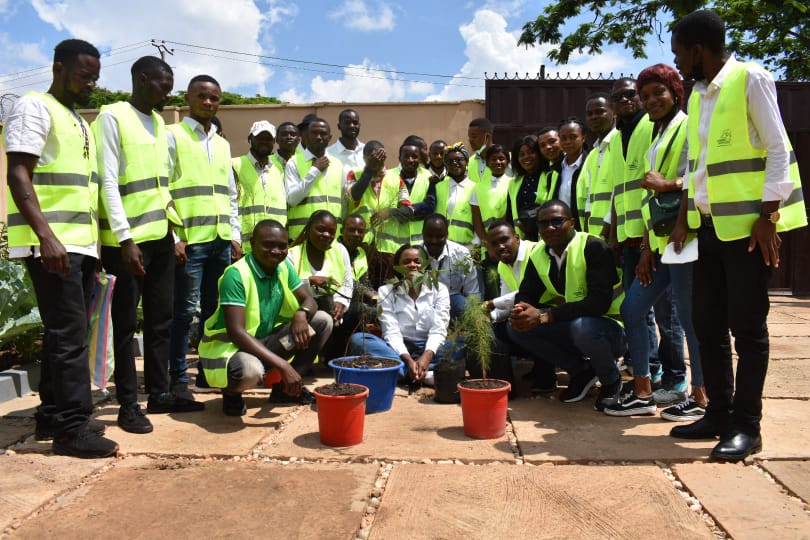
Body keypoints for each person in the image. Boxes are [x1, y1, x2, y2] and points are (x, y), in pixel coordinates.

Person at [668, 9, 806, 460]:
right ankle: (720, 413)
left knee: (747, 329)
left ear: (697, 50)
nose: (677, 63)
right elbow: (696, 165)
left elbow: (778, 150)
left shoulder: (751, 79)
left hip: (748, 232)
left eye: (678, 54)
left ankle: (748, 425)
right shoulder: (697, 95)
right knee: (707, 324)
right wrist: (685, 215)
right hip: (708, 229)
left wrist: (769, 217)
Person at [4, 39, 118, 457]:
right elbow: (18, 174)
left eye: (95, 78)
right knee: (69, 336)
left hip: (79, 246)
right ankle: (74, 429)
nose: (91, 84)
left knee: (63, 335)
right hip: (51, 246)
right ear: (58, 68)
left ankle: (52, 415)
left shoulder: (77, 120)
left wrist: (93, 247)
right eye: (84, 76)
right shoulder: (35, 107)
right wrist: (46, 237)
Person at [93, 55, 187, 435]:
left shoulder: (160, 123)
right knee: (126, 324)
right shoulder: (112, 117)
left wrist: (176, 236)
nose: (168, 93)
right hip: (127, 244)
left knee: (161, 320)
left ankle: (159, 392)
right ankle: (128, 404)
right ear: (142, 79)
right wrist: (124, 238)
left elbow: (163, 187)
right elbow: (108, 183)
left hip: (161, 238)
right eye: (164, 85)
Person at [604, 64, 703, 417]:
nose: (650, 101)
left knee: (688, 320)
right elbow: (649, 198)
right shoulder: (658, 135)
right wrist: (646, 249)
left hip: (684, 238)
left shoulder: (687, 126)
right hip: (658, 243)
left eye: (657, 93)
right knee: (632, 307)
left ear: (676, 91)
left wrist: (671, 191)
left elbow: (699, 177)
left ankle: (701, 398)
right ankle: (644, 390)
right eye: (646, 96)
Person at [198, 220, 333, 414]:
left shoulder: (283, 267)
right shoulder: (236, 274)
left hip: (265, 342)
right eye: (268, 245)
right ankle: (231, 393)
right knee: (251, 370)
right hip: (229, 351)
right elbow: (237, 333)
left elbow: (310, 301)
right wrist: (283, 365)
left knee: (322, 321)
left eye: (282, 246)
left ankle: (285, 390)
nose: (276, 251)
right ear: (252, 244)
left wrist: (301, 314)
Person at [507, 200, 625, 412]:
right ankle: (581, 371)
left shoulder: (594, 247)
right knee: (516, 328)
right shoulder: (539, 253)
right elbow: (527, 292)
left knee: (583, 327)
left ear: (571, 223)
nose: (550, 228)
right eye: (543, 224)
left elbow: (599, 303)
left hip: (611, 330)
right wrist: (520, 312)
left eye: (557, 221)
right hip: (574, 325)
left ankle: (611, 380)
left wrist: (544, 316)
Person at [167, 74, 241, 405]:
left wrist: (235, 234)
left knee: (214, 312)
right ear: (189, 98)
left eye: (214, 98)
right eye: (202, 96)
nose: (208, 102)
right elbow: (162, 188)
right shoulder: (174, 136)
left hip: (220, 240)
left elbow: (229, 194)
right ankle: (178, 377)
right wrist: (174, 237)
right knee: (183, 312)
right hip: (190, 241)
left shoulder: (223, 144)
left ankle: (207, 372)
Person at [348, 244, 451, 382]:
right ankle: (423, 373)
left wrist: (427, 356)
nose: (412, 265)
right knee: (359, 340)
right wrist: (408, 359)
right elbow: (391, 332)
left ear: (425, 265)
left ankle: (400, 372)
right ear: (397, 266)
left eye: (417, 261)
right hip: (398, 351)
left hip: (431, 349)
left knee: (461, 344)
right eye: (406, 262)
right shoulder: (386, 291)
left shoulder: (440, 290)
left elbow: (439, 329)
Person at [287, 210, 353, 329]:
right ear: (308, 228)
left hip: (334, 307)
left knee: (358, 311)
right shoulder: (291, 255)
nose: (327, 235)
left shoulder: (340, 250)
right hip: (302, 311)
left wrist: (341, 302)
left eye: (331, 232)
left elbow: (347, 282)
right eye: (321, 229)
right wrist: (310, 281)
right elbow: (286, 288)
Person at [285, 117, 344, 239]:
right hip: (301, 237)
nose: (318, 137)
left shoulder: (337, 164)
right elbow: (292, 199)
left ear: (330, 138)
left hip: (332, 237)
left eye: (323, 134)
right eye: (314, 133)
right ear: (306, 136)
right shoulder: (294, 162)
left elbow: (343, 202)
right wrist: (315, 170)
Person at [233, 121, 287, 250]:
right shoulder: (235, 165)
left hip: (274, 246)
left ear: (274, 141)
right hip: (245, 245)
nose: (264, 142)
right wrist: (234, 239)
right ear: (250, 139)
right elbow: (229, 205)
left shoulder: (278, 168)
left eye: (268, 139)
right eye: (259, 138)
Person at [421, 214, 480, 319]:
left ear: (447, 235)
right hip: (422, 303)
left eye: (439, 236)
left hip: (451, 301)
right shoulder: (414, 253)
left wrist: (476, 316)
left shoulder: (461, 253)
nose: (434, 241)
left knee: (467, 307)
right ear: (423, 234)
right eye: (430, 236)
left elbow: (472, 293)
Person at [577, 93, 618, 234]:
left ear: (613, 113)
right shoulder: (594, 153)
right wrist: (588, 233)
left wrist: (607, 229)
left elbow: (617, 193)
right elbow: (590, 197)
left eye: (600, 111)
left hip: (614, 232)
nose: (594, 117)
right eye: (590, 114)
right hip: (595, 234)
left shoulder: (620, 143)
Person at [435, 143, 476, 248]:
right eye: (449, 161)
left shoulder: (475, 188)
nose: (454, 163)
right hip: (442, 247)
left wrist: (476, 246)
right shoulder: (438, 187)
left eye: (459, 159)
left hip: (468, 248)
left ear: (466, 161)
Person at [506, 135, 544, 240]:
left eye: (531, 152)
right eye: (521, 154)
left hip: (546, 238)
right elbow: (510, 216)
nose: (526, 157)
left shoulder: (549, 177)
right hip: (522, 241)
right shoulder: (514, 183)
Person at [557, 117, 588, 229]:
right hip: (560, 229)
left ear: (583, 138)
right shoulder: (555, 169)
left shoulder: (590, 163)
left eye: (573, 137)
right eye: (563, 138)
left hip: (584, 227)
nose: (568, 142)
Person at [467, 117, 494, 183]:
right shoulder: (469, 162)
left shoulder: (507, 160)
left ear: (487, 137)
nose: (470, 140)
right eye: (469, 137)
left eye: (474, 137)